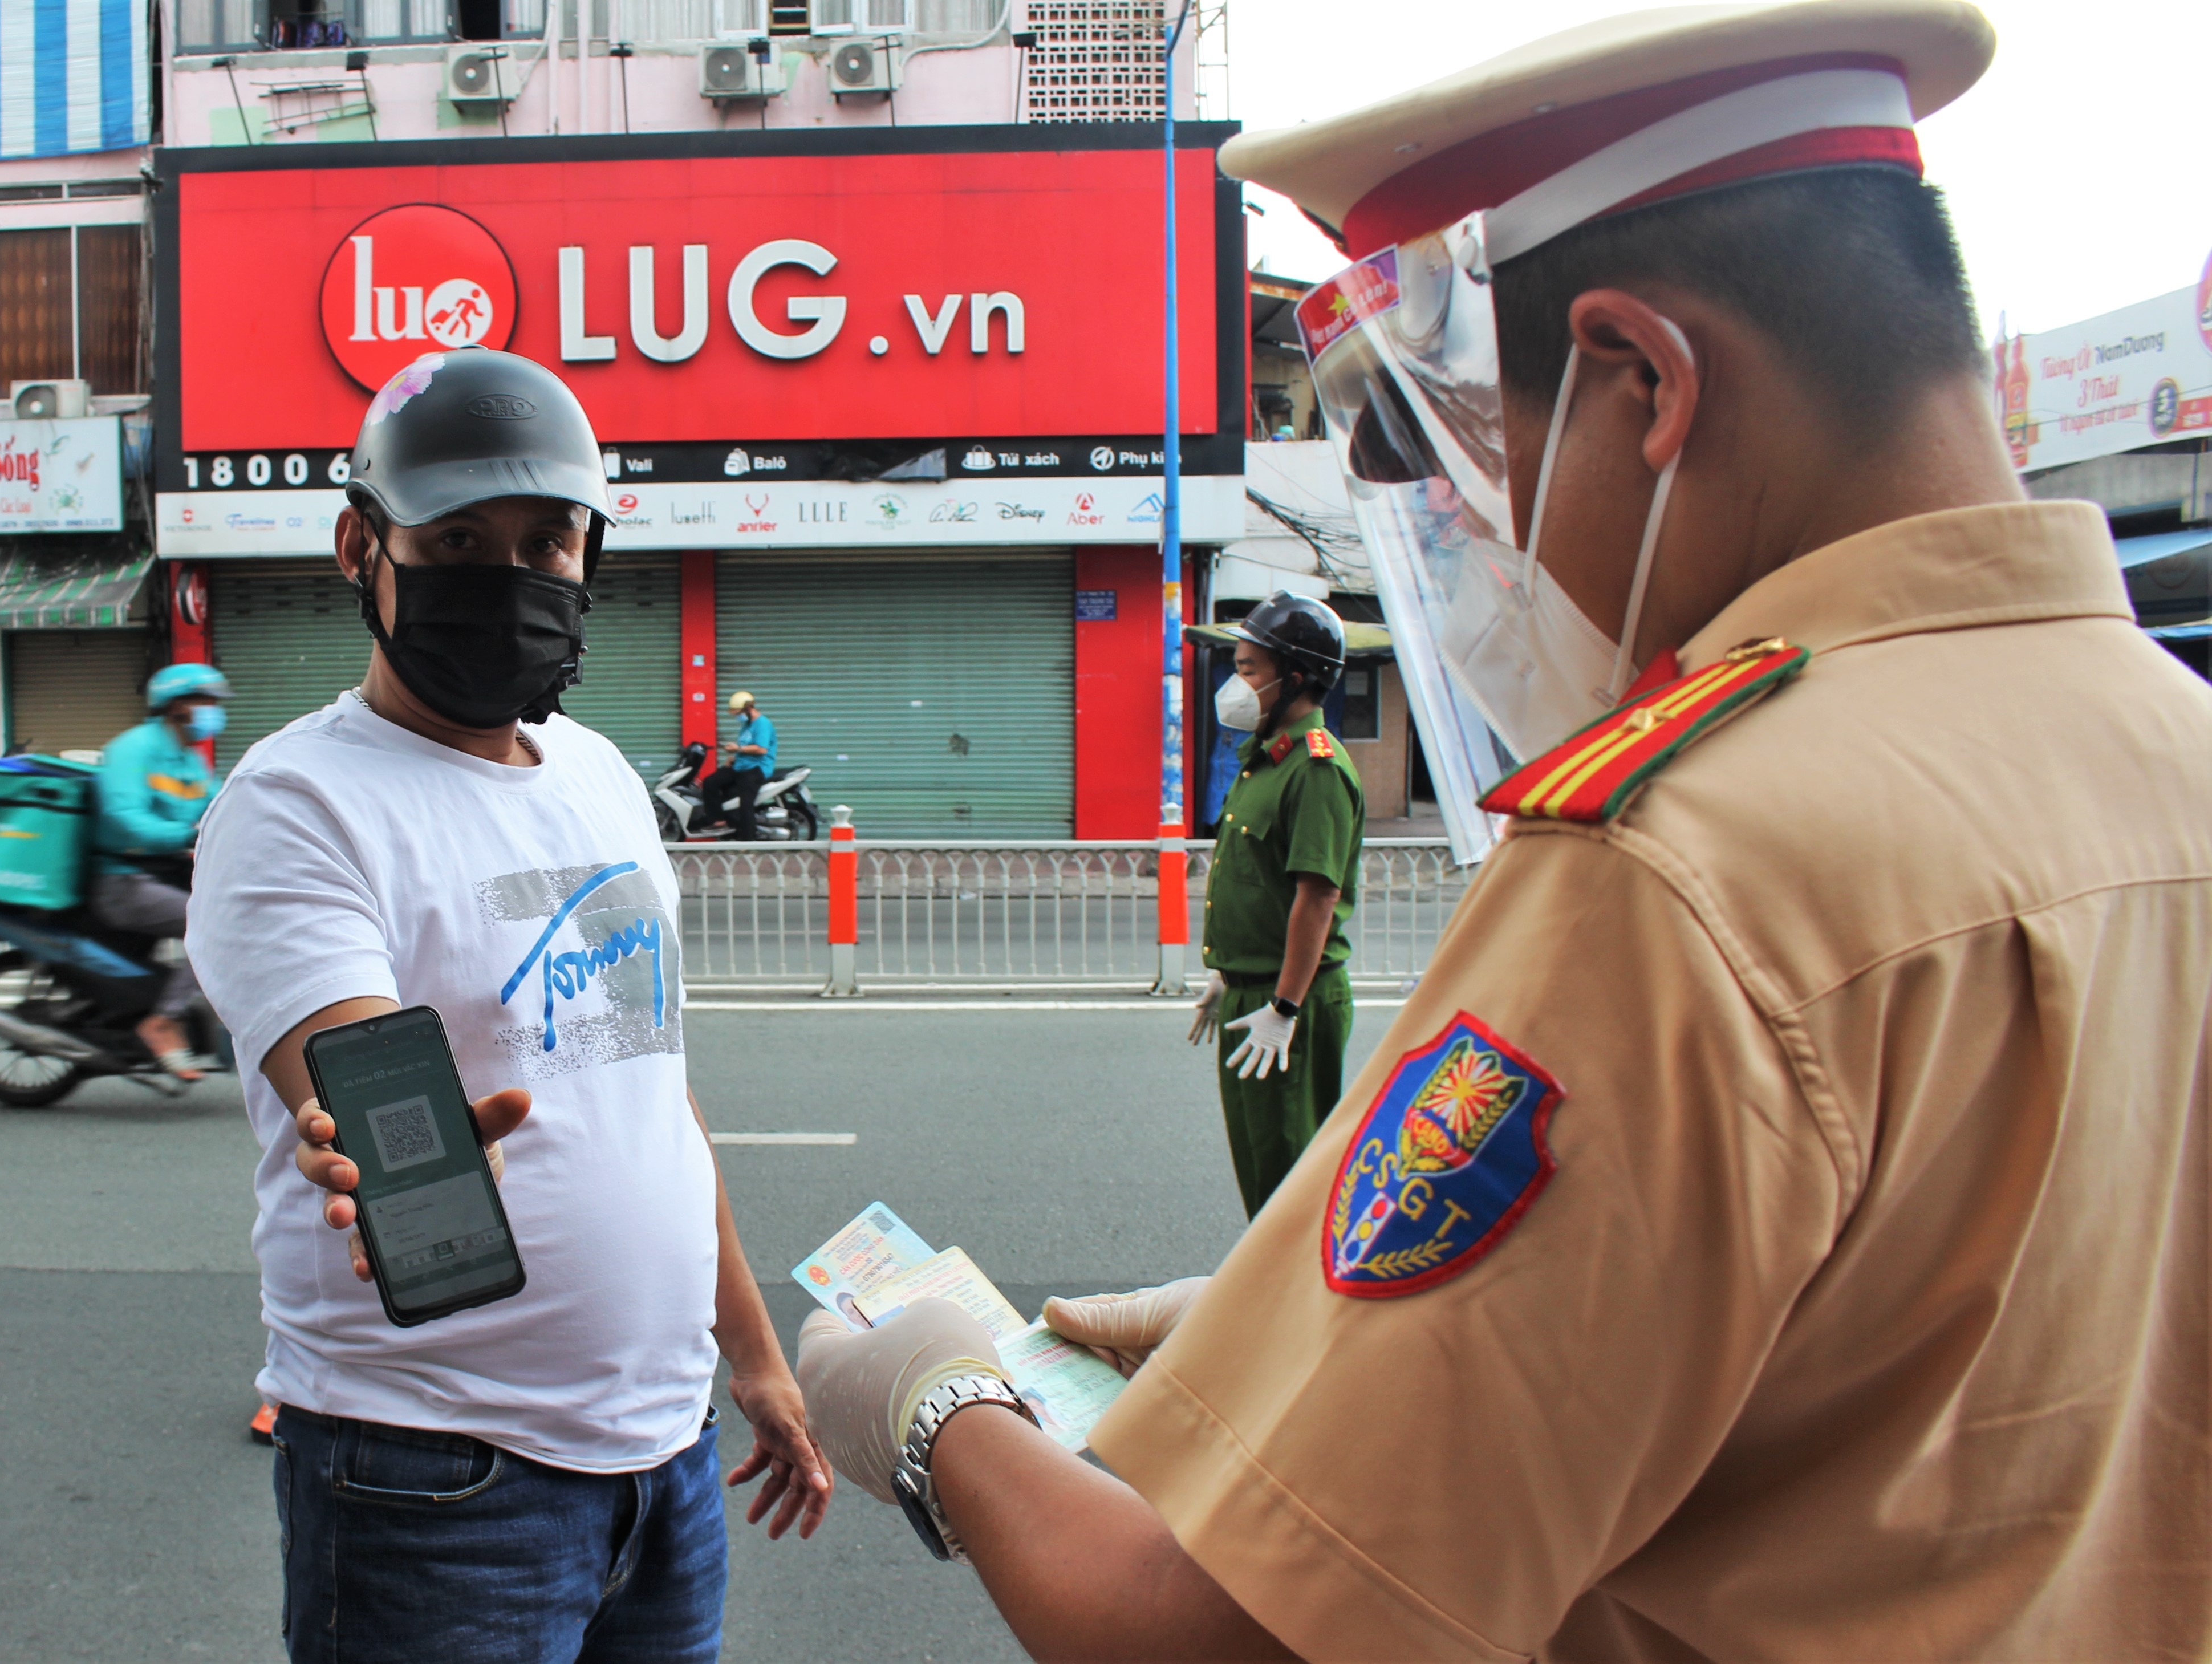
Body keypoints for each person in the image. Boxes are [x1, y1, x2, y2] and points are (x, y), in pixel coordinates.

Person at [788, 4, 2212, 1659]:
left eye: (1474, 459)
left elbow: (1209, 1633)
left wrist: (937, 1398)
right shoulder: (2171, 747)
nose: (1471, 540)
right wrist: (1296, 1330)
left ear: (1643, 378)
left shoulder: (1691, 865)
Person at [186, 347, 831, 1664]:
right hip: (433, 1476)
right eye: (462, 537)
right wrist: (388, 1142)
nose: (514, 574)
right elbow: (354, 1064)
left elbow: (651, 1091)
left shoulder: (601, 779)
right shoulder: (297, 802)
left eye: (549, 539)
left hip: (668, 1461)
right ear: (361, 544)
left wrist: (753, 1353)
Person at [1185, 594, 1363, 1216]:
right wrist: (1225, 974)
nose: (1237, 684)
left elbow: (1318, 896)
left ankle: (1293, 1312)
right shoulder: (1265, 761)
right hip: (1250, 993)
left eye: (1250, 669)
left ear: (1295, 678)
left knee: (1289, 1191)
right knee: (1261, 1175)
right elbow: (1264, 885)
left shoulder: (1314, 770)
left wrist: (1283, 1007)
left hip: (1287, 1001)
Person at [91, 661, 229, 1082]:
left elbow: (220, 806)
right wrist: (184, 837)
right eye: (202, 700)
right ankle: (164, 1020)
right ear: (174, 706)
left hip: (161, 875)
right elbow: (122, 815)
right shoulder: (134, 749)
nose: (212, 711)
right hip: (123, 881)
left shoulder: (189, 759)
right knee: (212, 926)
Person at [697, 689, 775, 841]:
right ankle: (719, 820)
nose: (736, 716)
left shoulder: (762, 724)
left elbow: (761, 749)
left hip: (756, 769)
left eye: (737, 712)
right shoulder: (747, 724)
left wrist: (738, 749)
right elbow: (746, 746)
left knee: (746, 804)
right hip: (741, 765)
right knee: (711, 782)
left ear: (747, 709)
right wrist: (734, 757)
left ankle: (748, 842)